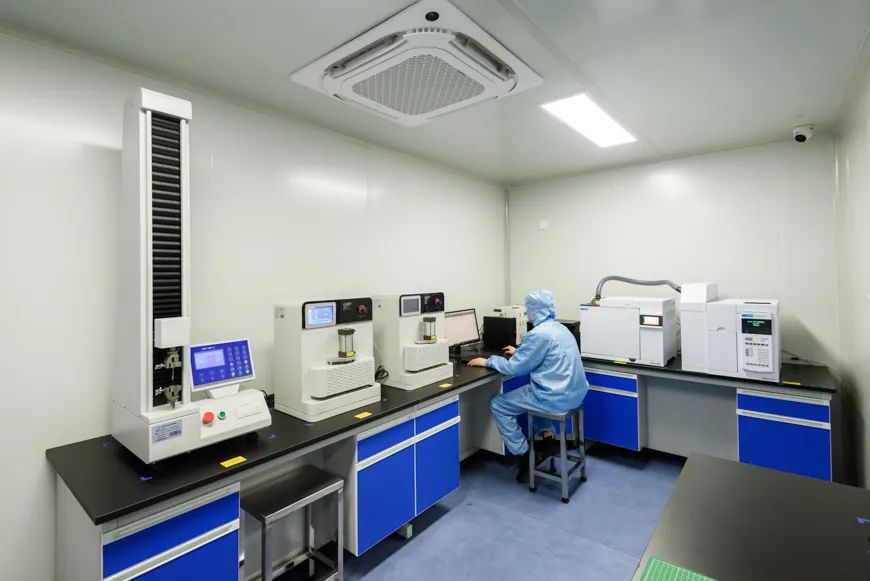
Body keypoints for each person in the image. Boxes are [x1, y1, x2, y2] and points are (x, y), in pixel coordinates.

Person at [468, 289, 588, 483]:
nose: (526, 313)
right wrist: (520, 351)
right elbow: (543, 355)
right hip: (574, 394)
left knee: (498, 404)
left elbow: (514, 369)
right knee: (533, 393)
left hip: (554, 398)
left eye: (528, 309)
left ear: (534, 310)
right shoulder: (559, 328)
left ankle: (523, 453)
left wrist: (488, 361)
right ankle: (547, 438)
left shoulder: (538, 334)